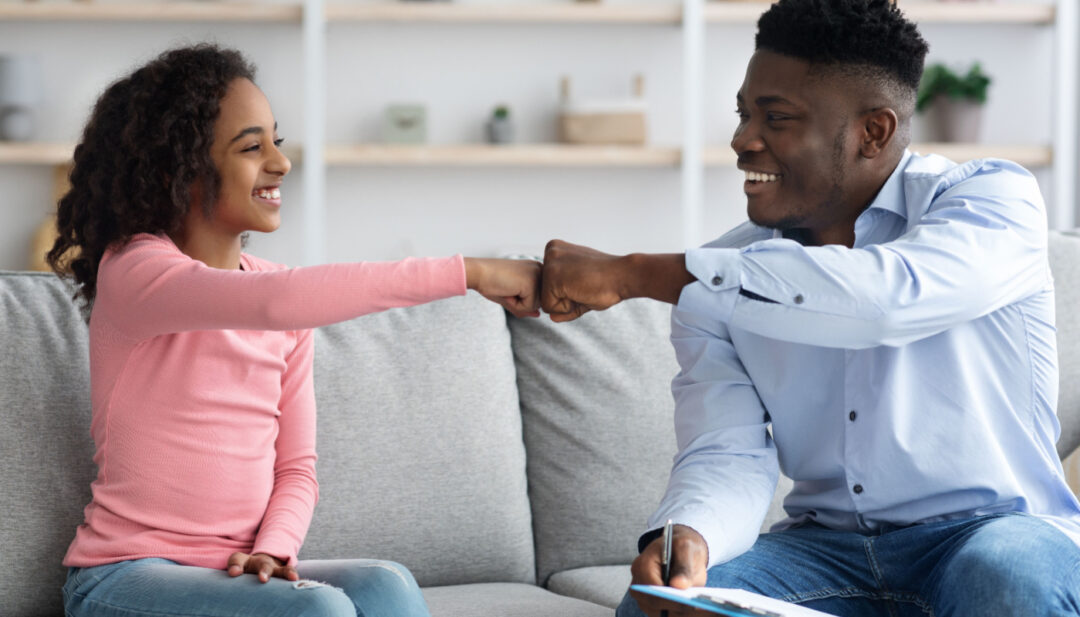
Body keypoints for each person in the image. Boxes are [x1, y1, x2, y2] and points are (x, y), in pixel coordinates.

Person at [540, 0, 1080, 615]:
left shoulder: (992, 201)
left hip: (995, 533)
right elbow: (727, 448)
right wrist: (690, 534)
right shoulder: (719, 276)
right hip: (826, 554)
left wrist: (633, 273)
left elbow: (884, 302)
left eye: (776, 117)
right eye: (743, 114)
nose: (743, 140)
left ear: (871, 132)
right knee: (656, 606)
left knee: (1002, 578)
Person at [48, 44, 540, 617]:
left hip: (234, 571)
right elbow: (276, 302)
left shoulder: (278, 304)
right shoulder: (135, 270)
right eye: (252, 147)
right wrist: (472, 272)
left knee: (387, 584)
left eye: (275, 142)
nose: (280, 163)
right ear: (174, 167)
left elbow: (295, 468)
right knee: (320, 611)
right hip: (125, 577)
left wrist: (273, 549)